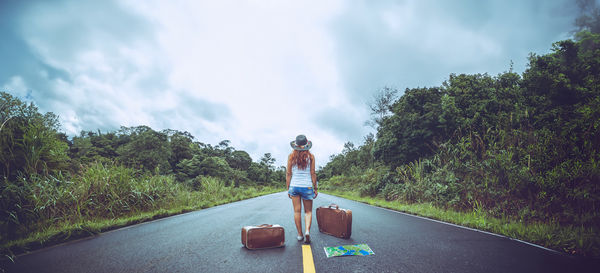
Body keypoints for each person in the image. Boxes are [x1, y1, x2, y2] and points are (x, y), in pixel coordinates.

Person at [286, 134, 318, 244]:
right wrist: (315, 188)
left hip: (294, 186)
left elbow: (288, 173)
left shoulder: (291, 157)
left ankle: (300, 235)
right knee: (308, 211)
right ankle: (307, 231)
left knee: (297, 211)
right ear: (306, 145)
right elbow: (313, 173)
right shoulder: (311, 157)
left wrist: (288, 188)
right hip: (307, 186)